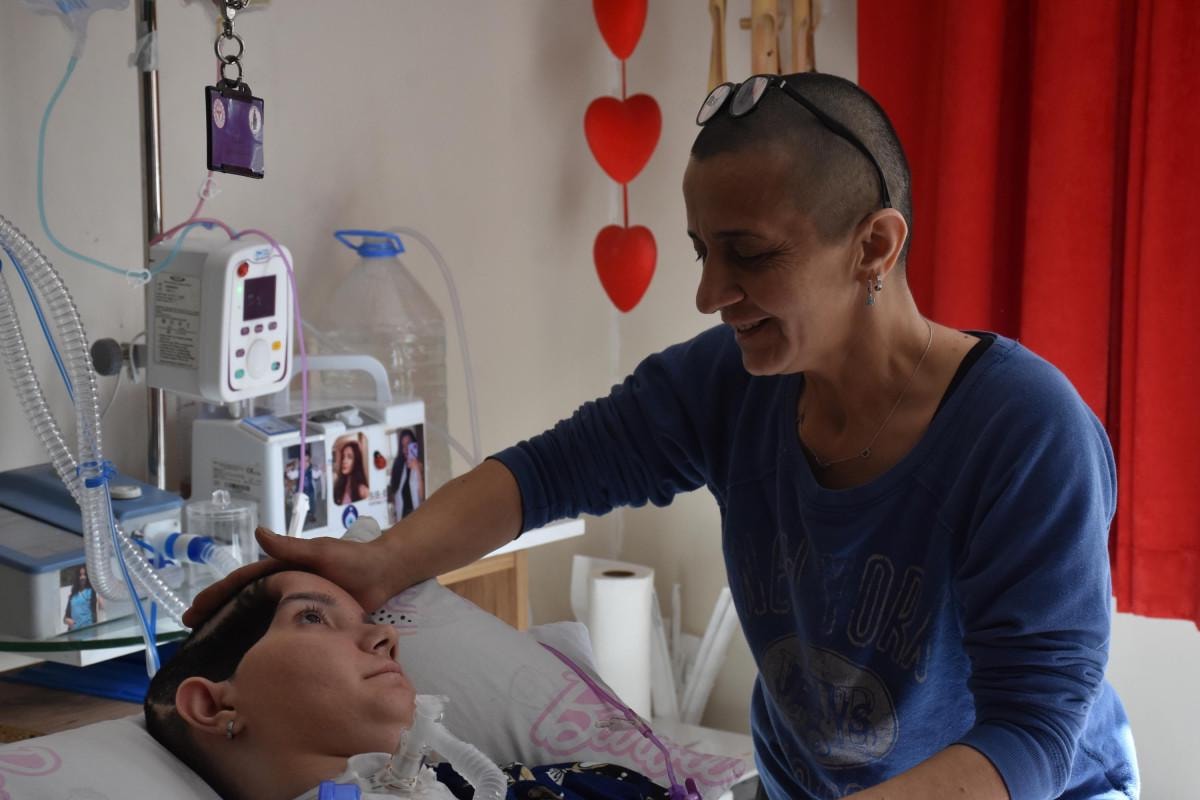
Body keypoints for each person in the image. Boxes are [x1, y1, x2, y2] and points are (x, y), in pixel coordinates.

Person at [190, 72, 1138, 799]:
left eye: (750, 254)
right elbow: (550, 472)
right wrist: (381, 562)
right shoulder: (730, 384)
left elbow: (1033, 732)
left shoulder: (1024, 433)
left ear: (874, 248)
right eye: (701, 250)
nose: (709, 293)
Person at [148, 569, 672, 800]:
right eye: (311, 617)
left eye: (366, 620)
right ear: (214, 706)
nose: (385, 636)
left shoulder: (514, 783)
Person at [388, 429, 425, 520]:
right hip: (403, 518)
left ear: (415, 445)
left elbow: (422, 496)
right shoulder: (400, 467)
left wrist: (417, 469)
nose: (406, 449)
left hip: (418, 518)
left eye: (408, 444)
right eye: (403, 446)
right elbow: (394, 494)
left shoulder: (421, 465)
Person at [334, 439, 370, 505]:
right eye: (343, 457)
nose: (344, 461)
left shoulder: (362, 490)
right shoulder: (341, 484)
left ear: (356, 461)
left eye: (349, 457)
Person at [63, 564, 99, 631]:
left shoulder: (91, 591)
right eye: (80, 575)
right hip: (74, 633)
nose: (82, 577)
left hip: (89, 631)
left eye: (84, 575)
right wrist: (67, 620)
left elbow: (95, 612)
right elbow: (65, 618)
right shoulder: (72, 595)